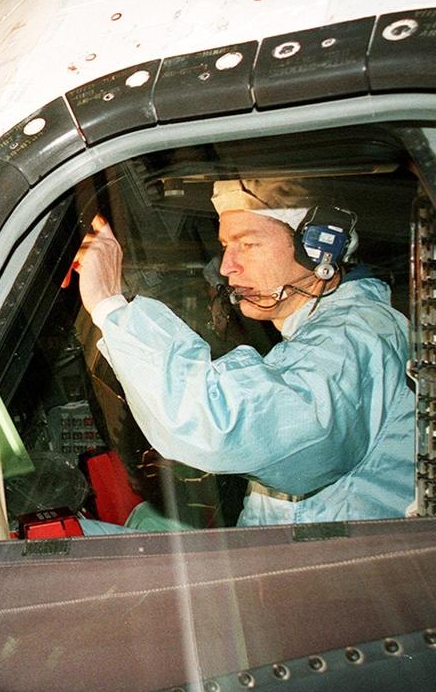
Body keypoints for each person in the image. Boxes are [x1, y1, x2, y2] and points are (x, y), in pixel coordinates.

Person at [75, 178, 414, 526]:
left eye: (247, 244)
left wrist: (109, 305)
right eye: (225, 245)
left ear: (319, 248)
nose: (226, 267)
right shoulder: (330, 329)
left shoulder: (353, 336)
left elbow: (221, 425)